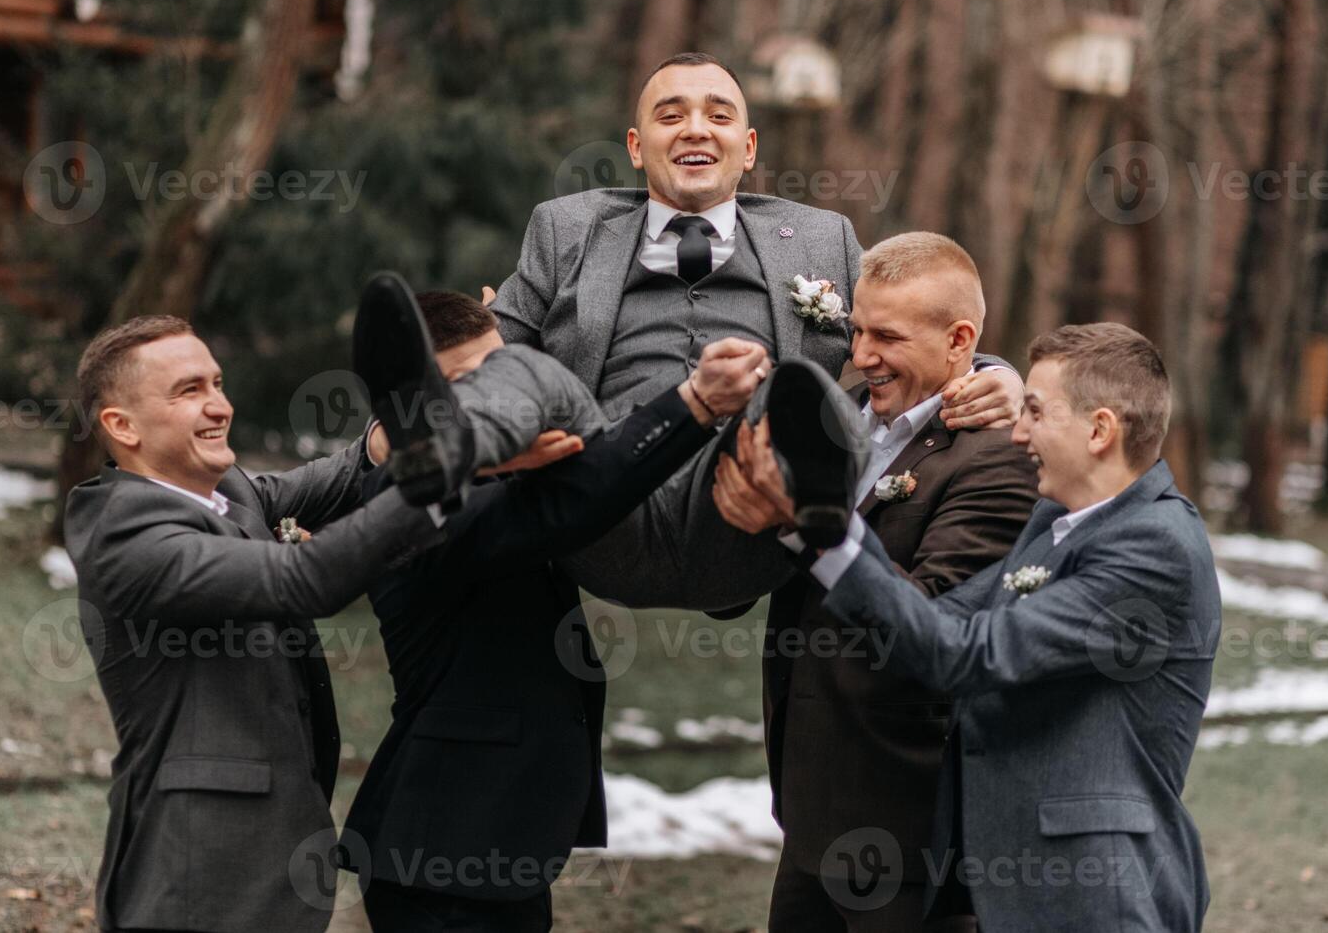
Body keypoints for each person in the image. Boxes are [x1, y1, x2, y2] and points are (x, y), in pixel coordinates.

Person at [485, 51, 1024, 609]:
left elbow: (915, 321)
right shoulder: (566, 228)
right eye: (671, 116)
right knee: (542, 386)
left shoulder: (821, 239)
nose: (696, 129)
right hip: (599, 509)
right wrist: (394, 428)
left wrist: (996, 373)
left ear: (748, 149)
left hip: (750, 526)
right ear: (635, 148)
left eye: (719, 116)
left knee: (793, 391)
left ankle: (819, 509)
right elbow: (487, 352)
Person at [738, 322, 1218, 932]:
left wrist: (829, 530)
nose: (1019, 433)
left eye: (1035, 413)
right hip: (1011, 883)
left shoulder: (1154, 546)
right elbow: (937, 624)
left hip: (1096, 891)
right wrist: (810, 532)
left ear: (1099, 430)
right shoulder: (1054, 520)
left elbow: (961, 656)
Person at [343, 292, 766, 932]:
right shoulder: (407, 496)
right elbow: (582, 497)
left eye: (504, 369)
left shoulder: (509, 470)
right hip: (439, 852)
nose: (501, 394)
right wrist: (696, 403)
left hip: (497, 843)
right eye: (469, 384)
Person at [64, 313, 480, 933]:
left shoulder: (226, 490)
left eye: (217, 383)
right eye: (189, 391)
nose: (219, 406)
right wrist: (429, 482)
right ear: (121, 426)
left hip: (275, 858)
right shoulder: (121, 532)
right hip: (196, 875)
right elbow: (304, 579)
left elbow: (325, 481)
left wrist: (383, 442)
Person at [712, 233, 1039, 932]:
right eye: (857, 330)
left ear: (959, 341)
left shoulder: (996, 460)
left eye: (886, 337)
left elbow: (927, 629)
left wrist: (799, 525)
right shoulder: (834, 417)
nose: (861, 356)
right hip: (806, 810)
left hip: (910, 826)